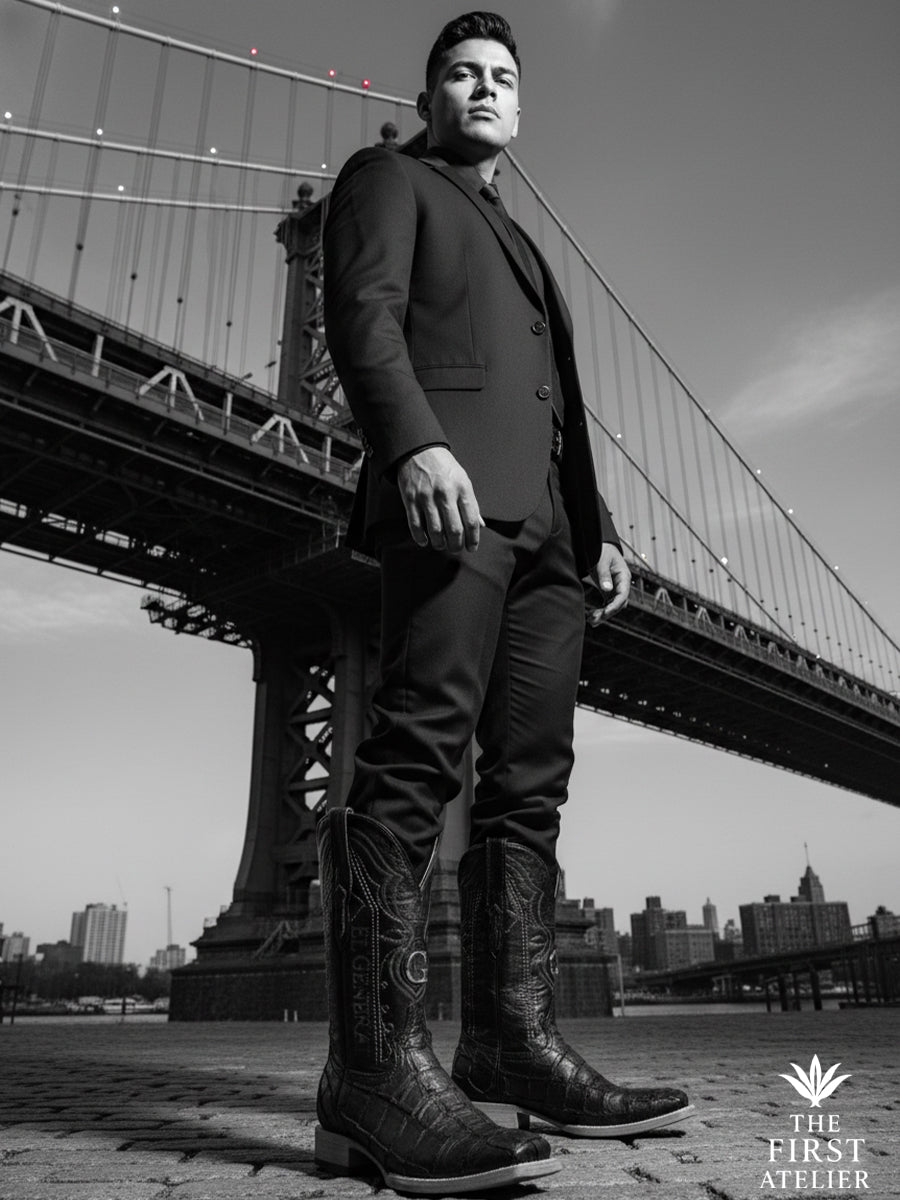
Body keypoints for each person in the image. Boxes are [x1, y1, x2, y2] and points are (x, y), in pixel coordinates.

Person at [314, 12, 693, 1195]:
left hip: (552, 541)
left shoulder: (522, 241)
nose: (483, 88)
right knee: (419, 747)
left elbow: (554, 404)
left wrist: (601, 528)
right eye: (462, 74)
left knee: (531, 786)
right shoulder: (387, 179)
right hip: (450, 501)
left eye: (501, 78)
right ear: (431, 95)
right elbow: (362, 317)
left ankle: (510, 1045)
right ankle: (372, 1077)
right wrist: (412, 445)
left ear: (520, 110)